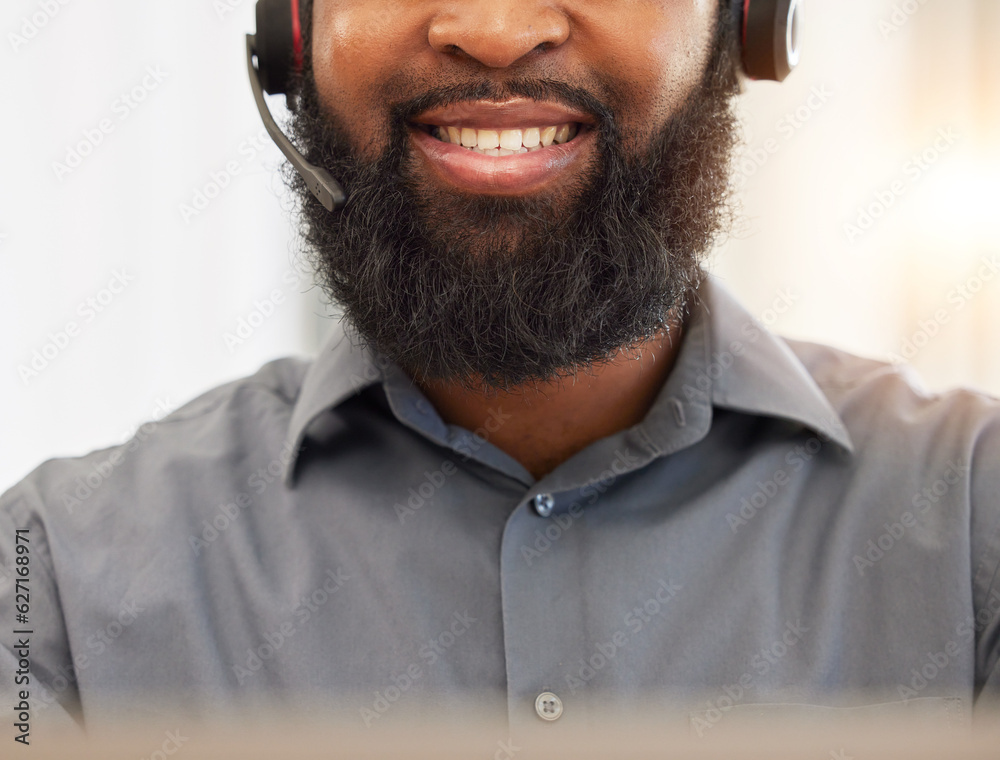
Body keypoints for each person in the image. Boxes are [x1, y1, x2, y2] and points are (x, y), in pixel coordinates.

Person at [1, 0, 998, 741]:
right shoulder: (48, 589)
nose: (494, 27)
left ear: (743, 22)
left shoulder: (974, 525)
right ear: (287, 29)